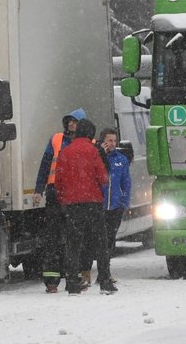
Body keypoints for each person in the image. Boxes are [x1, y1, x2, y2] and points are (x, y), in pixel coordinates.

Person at [55, 118, 111, 294]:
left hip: (73, 205)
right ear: (91, 134)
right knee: (101, 243)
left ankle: (72, 281)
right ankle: (105, 280)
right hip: (93, 202)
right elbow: (103, 178)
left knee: (73, 244)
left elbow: (59, 181)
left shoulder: (65, 151)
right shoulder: (93, 151)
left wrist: (64, 200)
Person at [33, 108, 85, 293]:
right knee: (53, 238)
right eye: (69, 121)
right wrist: (38, 189)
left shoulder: (86, 142)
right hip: (55, 194)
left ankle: (73, 276)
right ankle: (52, 280)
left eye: (75, 121)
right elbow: (45, 165)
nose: (71, 124)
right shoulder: (56, 140)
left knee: (73, 238)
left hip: (74, 196)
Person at [98, 127, 130, 289]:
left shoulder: (121, 159)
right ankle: (91, 271)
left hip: (115, 206)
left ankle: (105, 271)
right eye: (109, 140)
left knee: (110, 240)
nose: (112, 144)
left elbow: (126, 182)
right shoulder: (97, 156)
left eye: (114, 141)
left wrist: (124, 202)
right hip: (99, 207)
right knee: (99, 240)